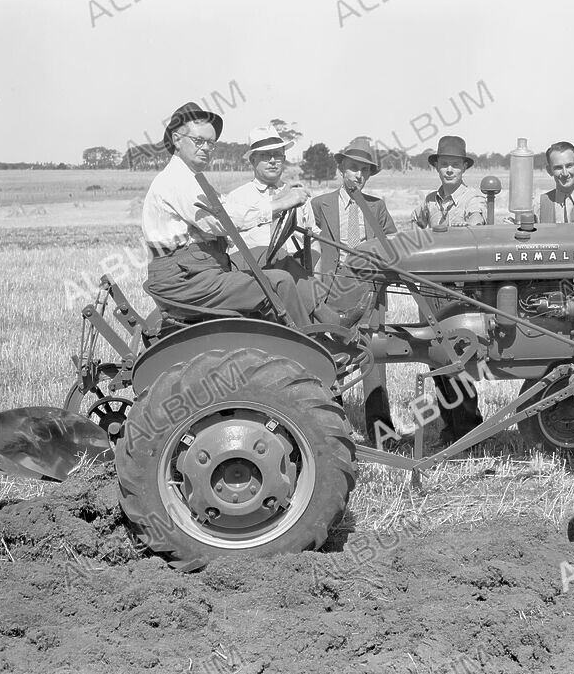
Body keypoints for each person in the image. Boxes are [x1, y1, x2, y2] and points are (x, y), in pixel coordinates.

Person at [141, 102, 313, 327]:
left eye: (211, 144)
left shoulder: (191, 177)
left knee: (275, 259)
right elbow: (224, 221)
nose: (205, 148)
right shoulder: (177, 181)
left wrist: (279, 201)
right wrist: (280, 204)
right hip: (185, 280)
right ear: (176, 139)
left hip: (199, 269)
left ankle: (324, 321)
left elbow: (224, 206)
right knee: (279, 282)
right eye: (199, 141)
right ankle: (310, 347)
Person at [311, 137, 397, 440]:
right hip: (331, 293)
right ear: (340, 167)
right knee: (329, 357)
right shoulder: (319, 205)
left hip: (369, 293)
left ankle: (381, 432)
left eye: (364, 170)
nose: (358, 175)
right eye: (352, 168)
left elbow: (393, 249)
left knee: (373, 356)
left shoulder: (377, 207)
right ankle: (333, 430)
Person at [410, 135, 485, 444]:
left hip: (459, 288)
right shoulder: (429, 201)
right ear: (437, 167)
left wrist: (439, 237)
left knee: (459, 357)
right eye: (444, 165)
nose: (449, 170)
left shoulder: (473, 200)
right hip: (430, 287)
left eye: (455, 165)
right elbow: (415, 231)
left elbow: (474, 235)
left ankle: (469, 428)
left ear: (463, 167)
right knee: (435, 358)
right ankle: (449, 428)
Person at [223, 125, 317, 278]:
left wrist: (315, 286)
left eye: (277, 155)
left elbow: (313, 241)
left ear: (284, 159)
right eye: (265, 155)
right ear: (253, 160)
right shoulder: (237, 197)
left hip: (297, 274)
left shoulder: (298, 196)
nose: (273, 161)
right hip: (255, 276)